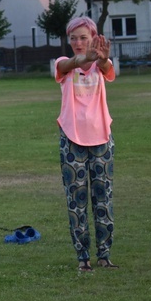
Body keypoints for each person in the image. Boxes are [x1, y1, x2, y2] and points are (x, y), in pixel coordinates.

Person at [55, 17, 119, 272]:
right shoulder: (62, 64)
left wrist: (101, 58)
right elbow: (75, 63)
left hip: (102, 139)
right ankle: (83, 259)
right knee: (76, 201)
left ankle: (104, 255)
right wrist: (88, 57)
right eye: (73, 38)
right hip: (72, 141)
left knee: (103, 199)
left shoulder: (102, 65)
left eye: (83, 37)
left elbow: (105, 66)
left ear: (93, 38)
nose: (78, 42)